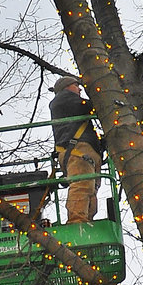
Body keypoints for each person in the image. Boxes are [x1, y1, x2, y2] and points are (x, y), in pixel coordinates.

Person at [49, 76, 102, 223]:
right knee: (82, 186)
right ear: (66, 87)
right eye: (76, 85)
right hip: (77, 152)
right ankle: (77, 222)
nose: (79, 89)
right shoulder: (64, 98)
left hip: (79, 152)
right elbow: (86, 106)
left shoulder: (68, 105)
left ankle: (85, 221)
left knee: (89, 190)